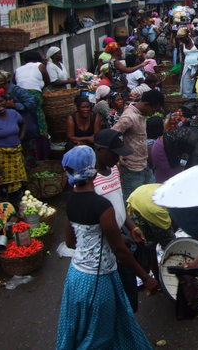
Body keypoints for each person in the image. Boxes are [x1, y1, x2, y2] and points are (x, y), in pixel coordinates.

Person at [56, 146, 158, 350]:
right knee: (97, 337)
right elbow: (119, 251)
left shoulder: (71, 202)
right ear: (92, 169)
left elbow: (71, 242)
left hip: (76, 276)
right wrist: (146, 278)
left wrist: (107, 237)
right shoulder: (102, 206)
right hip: (97, 279)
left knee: (83, 329)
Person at [92, 129, 146, 312]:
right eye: (115, 153)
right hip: (106, 242)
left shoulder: (114, 169)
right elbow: (90, 218)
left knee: (129, 290)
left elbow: (119, 203)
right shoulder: (90, 179)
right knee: (115, 294)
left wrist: (132, 227)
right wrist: (115, 237)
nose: (118, 158)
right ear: (99, 150)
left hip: (122, 233)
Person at [111, 90, 164, 199]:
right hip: (132, 168)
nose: (154, 113)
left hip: (144, 164)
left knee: (150, 195)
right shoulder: (129, 117)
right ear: (146, 105)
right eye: (154, 110)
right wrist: (119, 155)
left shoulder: (141, 113)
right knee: (132, 199)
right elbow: (112, 135)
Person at [0, 88, 27, 196]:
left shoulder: (14, 114)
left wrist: (20, 137)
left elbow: (23, 124)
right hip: (1, 156)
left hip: (15, 154)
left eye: (1, 101)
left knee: (17, 185)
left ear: (5, 101)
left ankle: (17, 203)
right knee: (3, 187)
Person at [126, 184, 175, 281]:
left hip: (136, 196)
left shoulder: (170, 188)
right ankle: (171, 279)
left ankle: (156, 280)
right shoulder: (161, 210)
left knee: (149, 245)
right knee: (171, 246)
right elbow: (167, 226)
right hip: (150, 207)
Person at [14, 51, 50, 141]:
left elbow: (14, 84)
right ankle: (43, 138)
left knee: (25, 118)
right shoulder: (40, 65)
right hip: (34, 95)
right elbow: (47, 81)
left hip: (20, 95)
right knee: (38, 117)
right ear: (38, 59)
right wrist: (40, 88)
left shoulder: (18, 69)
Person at [177, 28, 198, 99]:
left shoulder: (195, 41)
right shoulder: (181, 45)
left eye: (182, 38)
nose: (181, 40)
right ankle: (187, 100)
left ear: (186, 36)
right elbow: (182, 60)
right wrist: (180, 73)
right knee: (186, 85)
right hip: (187, 67)